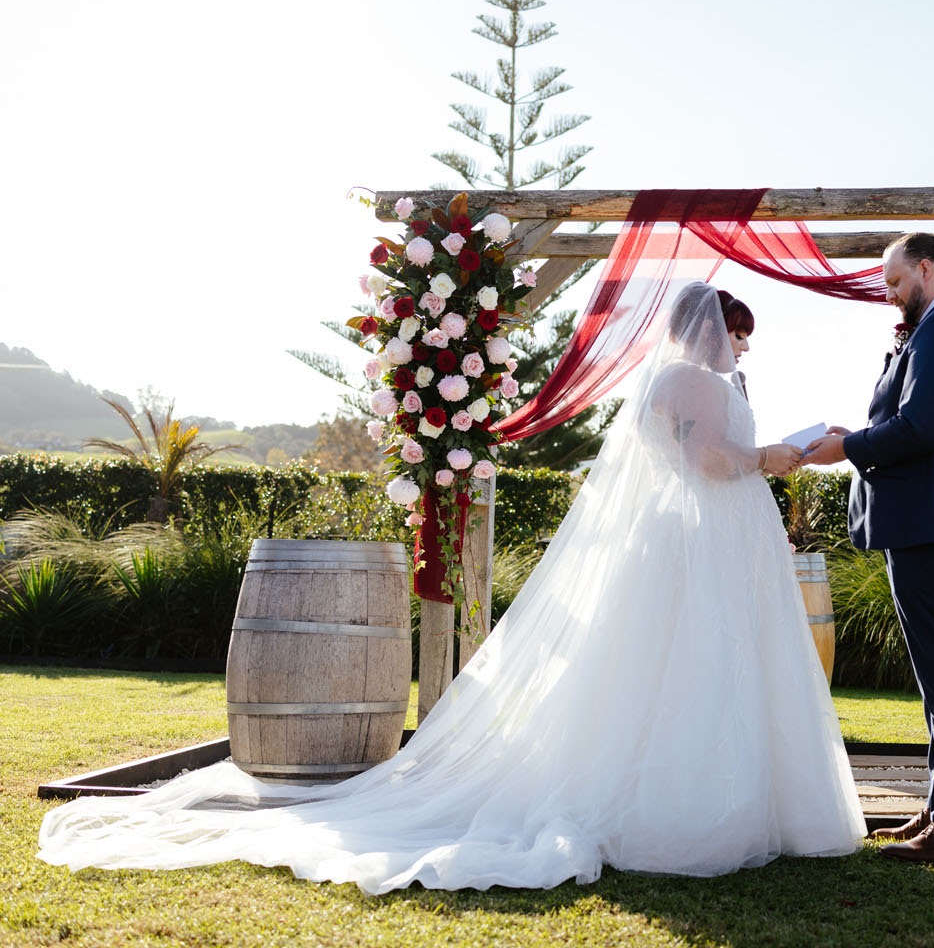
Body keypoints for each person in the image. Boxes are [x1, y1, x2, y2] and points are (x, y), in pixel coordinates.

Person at [39, 283, 865, 892]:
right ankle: (692, 805)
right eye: (738, 333)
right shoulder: (694, 382)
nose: (743, 348)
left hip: (703, 544)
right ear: (712, 329)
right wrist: (773, 457)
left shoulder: (677, 384)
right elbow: (708, 465)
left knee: (674, 670)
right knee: (696, 668)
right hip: (704, 542)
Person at [801, 233, 934, 864]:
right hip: (929, 522)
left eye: (895, 283)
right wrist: (859, 434)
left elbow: (922, 428)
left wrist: (851, 448)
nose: (891, 296)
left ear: (927, 268)